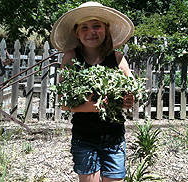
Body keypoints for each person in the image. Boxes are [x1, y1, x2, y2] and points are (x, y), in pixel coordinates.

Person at [50, 2, 135, 182]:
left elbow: (132, 93)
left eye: (97, 26)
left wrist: (129, 100)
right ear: (76, 33)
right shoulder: (71, 58)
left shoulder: (118, 58)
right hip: (84, 138)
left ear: (106, 29)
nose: (91, 32)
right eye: (84, 27)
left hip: (114, 138)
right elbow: (64, 104)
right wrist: (95, 107)